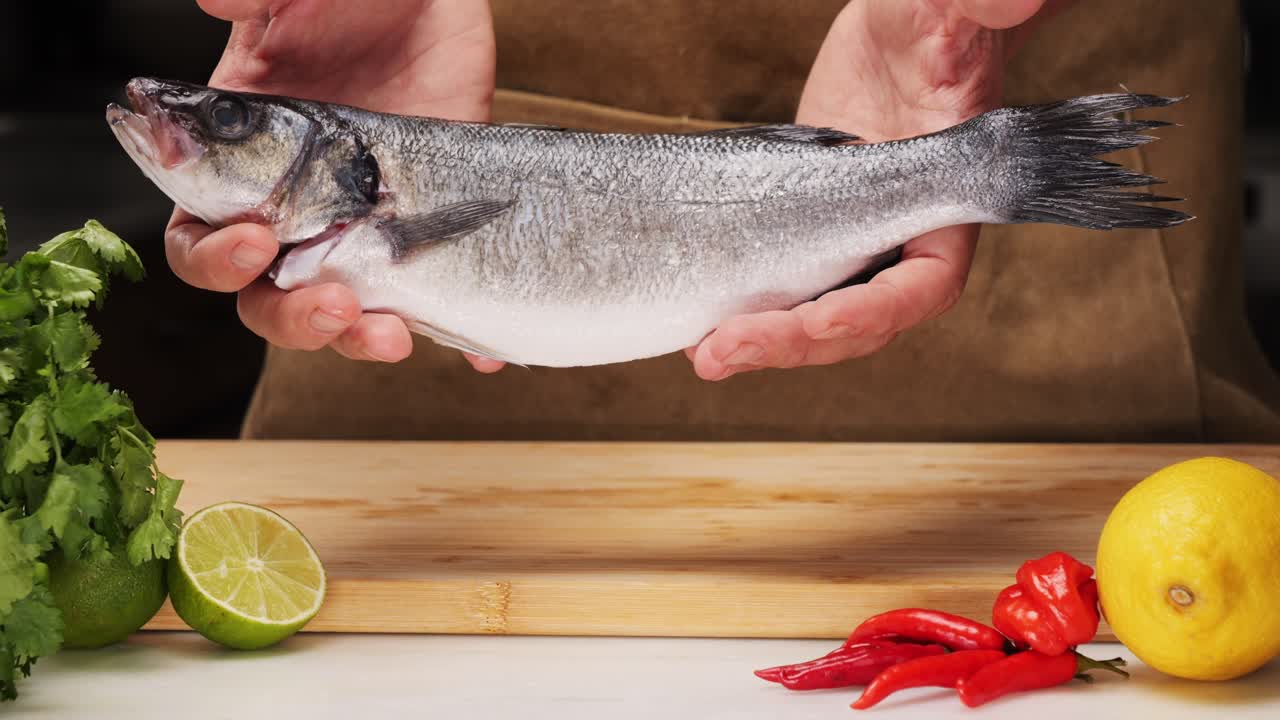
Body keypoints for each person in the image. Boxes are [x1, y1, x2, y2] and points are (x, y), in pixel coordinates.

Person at [168, 0, 1280, 442]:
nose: (192, 129)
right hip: (411, 486)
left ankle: (993, 164)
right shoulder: (346, 194)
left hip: (994, 85)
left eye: (223, 126)